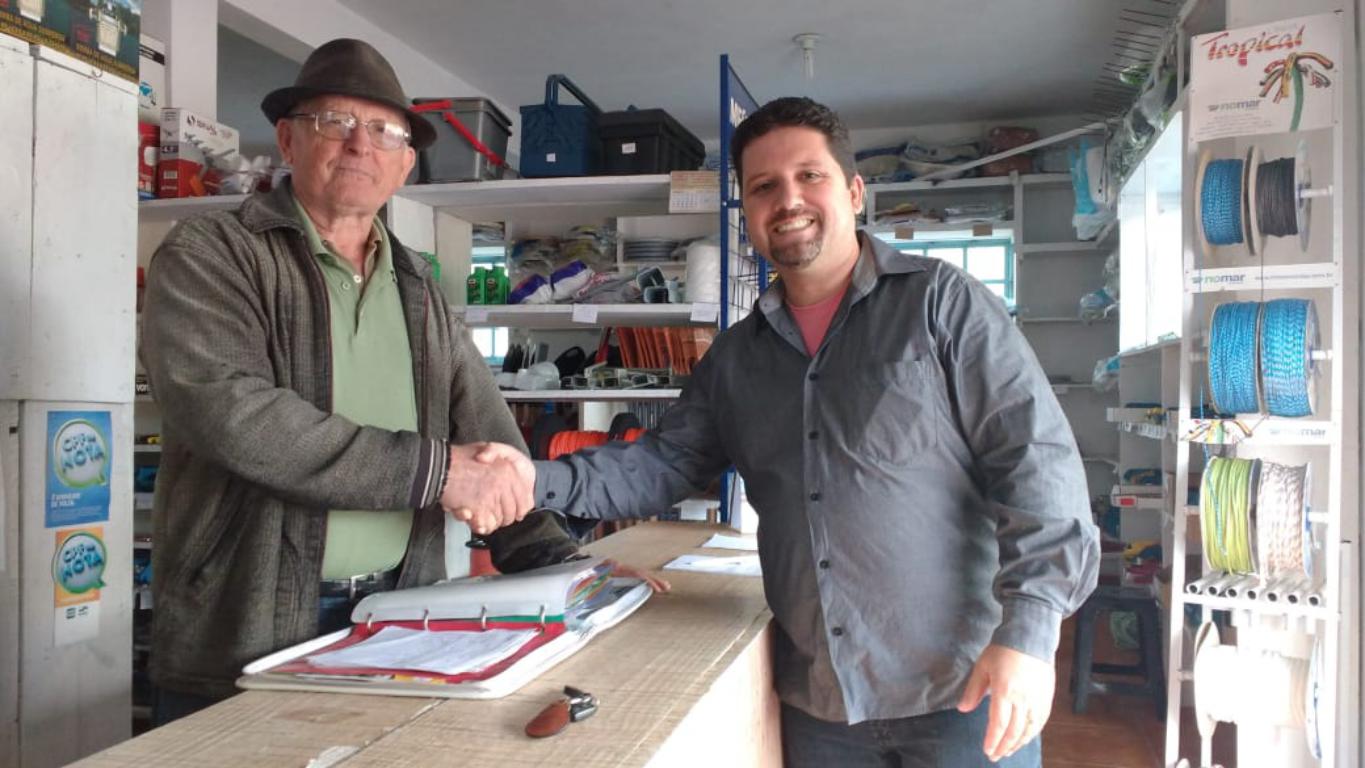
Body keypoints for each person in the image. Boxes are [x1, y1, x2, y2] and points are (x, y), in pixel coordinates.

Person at [475, 97, 1099, 766]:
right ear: (746, 212)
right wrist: (530, 478)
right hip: (820, 707)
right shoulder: (736, 358)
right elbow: (659, 465)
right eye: (764, 186)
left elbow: (1036, 465)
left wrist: (1030, 633)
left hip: (961, 694)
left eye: (810, 176)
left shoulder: (942, 304)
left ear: (854, 193)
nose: (788, 200)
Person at [140, 38, 611, 725]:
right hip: (241, 621)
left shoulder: (419, 286)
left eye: (384, 130)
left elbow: (487, 433)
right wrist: (439, 473)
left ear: (405, 163)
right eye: (335, 121)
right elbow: (234, 415)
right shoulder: (215, 253)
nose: (360, 143)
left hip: (399, 618)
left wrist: (572, 574)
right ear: (289, 139)